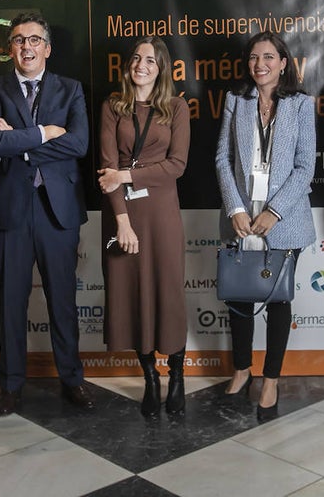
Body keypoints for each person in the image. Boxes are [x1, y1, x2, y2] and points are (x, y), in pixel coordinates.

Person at [0, 12, 96, 416]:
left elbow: (79, 144)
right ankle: (10, 386)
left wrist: (19, 142)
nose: (26, 47)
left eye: (33, 40)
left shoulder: (71, 89)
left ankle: (72, 379)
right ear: (9, 48)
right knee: (10, 301)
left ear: (47, 47)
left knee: (62, 300)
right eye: (18, 40)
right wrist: (46, 133)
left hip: (57, 210)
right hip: (8, 208)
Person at [215, 31, 317, 422]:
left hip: (284, 220)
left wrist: (274, 211)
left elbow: (305, 167)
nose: (261, 64)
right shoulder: (235, 101)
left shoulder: (301, 105)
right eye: (255, 57)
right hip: (242, 218)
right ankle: (242, 370)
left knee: (277, 300)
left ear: (283, 62)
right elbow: (222, 159)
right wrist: (235, 208)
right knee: (239, 298)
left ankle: (271, 379)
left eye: (269, 57)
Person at [97, 37, 190, 417]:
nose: (141, 65)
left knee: (168, 293)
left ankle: (177, 375)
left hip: (162, 214)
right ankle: (150, 379)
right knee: (132, 295)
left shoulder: (176, 107)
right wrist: (122, 222)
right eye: (136, 58)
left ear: (161, 67)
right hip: (122, 214)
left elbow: (177, 165)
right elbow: (106, 167)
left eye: (150, 60)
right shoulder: (112, 106)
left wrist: (126, 175)